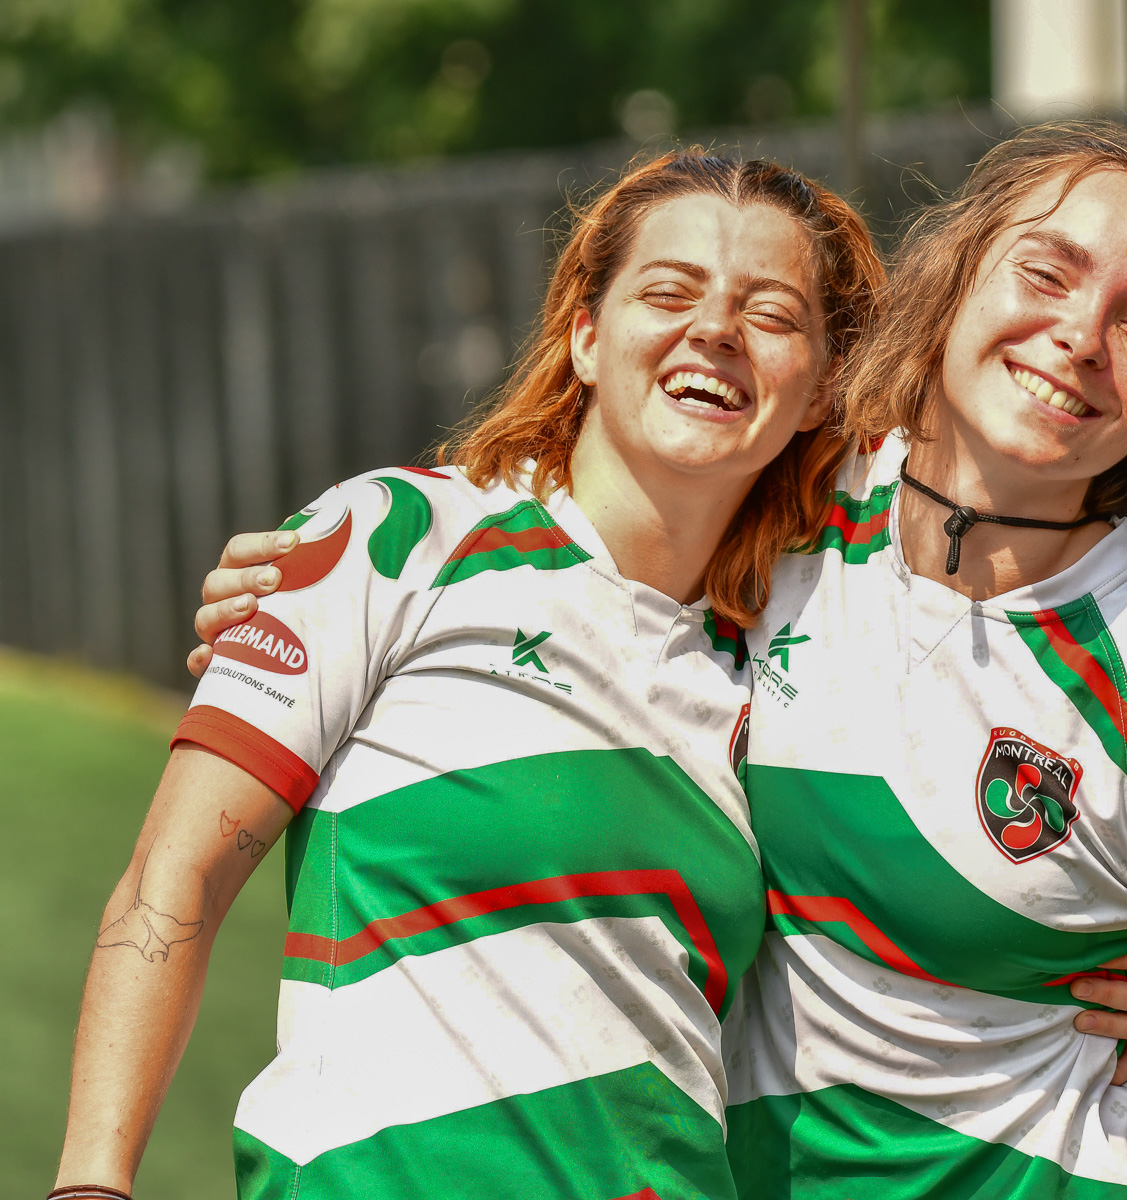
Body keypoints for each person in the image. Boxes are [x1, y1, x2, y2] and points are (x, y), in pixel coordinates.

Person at [189, 123, 1127, 1200]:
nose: (1081, 337)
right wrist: (328, 581)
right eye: (1044, 273)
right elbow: (584, 496)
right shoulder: (784, 509)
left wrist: (1122, 931)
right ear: (953, 278)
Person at [55, 151, 904, 1199]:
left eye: (771, 312)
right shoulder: (393, 538)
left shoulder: (780, 668)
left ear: (822, 386)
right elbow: (170, 880)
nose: (716, 330)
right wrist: (91, 1183)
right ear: (585, 336)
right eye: (668, 292)